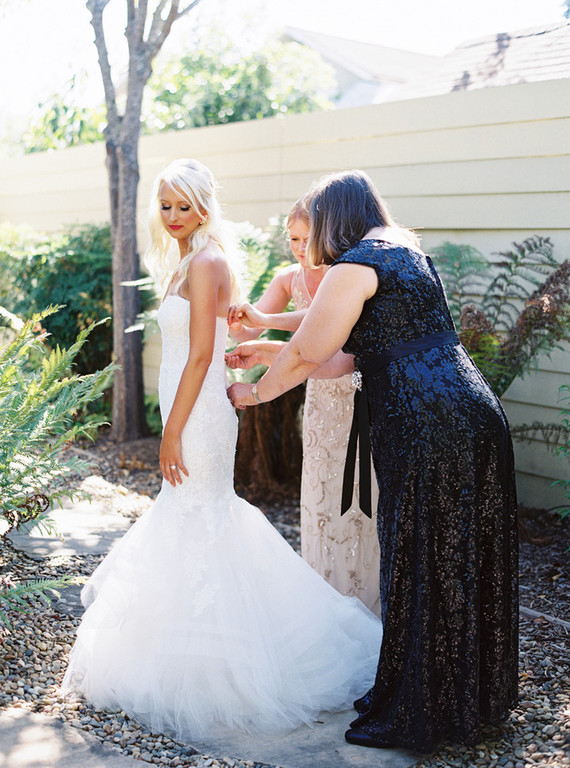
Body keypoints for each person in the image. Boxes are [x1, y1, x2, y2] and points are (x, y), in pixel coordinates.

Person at [62, 159, 382, 741]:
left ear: (205, 206)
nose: (174, 216)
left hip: (200, 416)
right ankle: (180, 649)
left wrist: (171, 431)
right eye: (166, 205)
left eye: (185, 205)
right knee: (192, 518)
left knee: (200, 514)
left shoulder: (207, 262)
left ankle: (221, 665)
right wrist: (255, 333)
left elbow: (202, 356)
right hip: (188, 407)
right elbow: (224, 334)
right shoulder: (187, 262)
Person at [227, 169, 518, 754]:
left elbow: (313, 352)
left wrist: (255, 394)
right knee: (461, 550)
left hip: (425, 420)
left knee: (420, 553)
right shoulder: (408, 252)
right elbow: (347, 356)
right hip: (471, 410)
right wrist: (270, 351)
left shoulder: (353, 264)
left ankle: (426, 710)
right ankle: (471, 699)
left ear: (333, 220)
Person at [227, 199, 380, 616]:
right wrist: (232, 309)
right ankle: (324, 594)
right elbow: (252, 320)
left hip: (359, 396)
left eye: (306, 238)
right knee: (320, 494)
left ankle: (365, 596)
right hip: (319, 402)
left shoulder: (346, 275)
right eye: (292, 238)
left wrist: (262, 333)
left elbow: (315, 326)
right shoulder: (288, 278)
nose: (298, 247)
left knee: (363, 495)